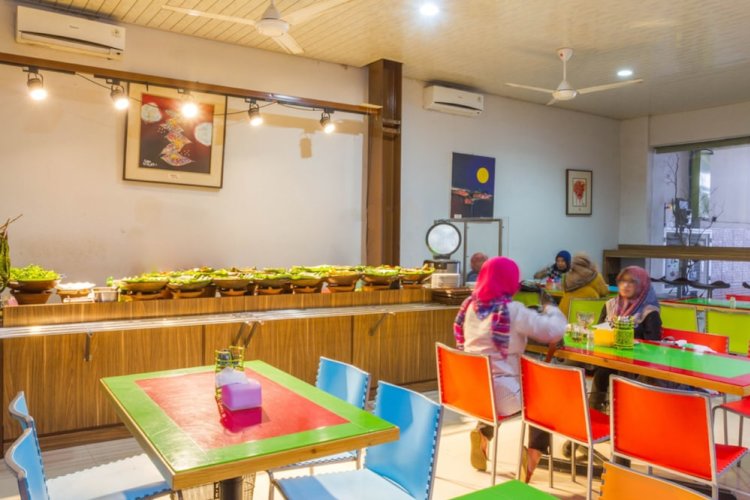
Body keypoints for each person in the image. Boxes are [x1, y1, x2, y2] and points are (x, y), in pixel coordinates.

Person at [453, 256, 566, 482]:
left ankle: (483, 433)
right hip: (503, 394)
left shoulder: (470, 305)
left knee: (507, 386)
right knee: (545, 396)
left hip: (472, 392)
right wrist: (551, 308)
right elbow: (553, 331)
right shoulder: (512, 310)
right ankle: (532, 455)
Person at [589, 266, 662, 410]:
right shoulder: (610, 305)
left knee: (612, 372)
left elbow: (653, 345)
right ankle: (594, 412)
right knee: (601, 371)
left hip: (637, 365)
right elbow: (600, 331)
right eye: (622, 281)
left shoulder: (649, 312)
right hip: (610, 359)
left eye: (632, 282)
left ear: (642, 285)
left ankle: (626, 413)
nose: (626, 285)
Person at [558, 253, 610, 318]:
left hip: (564, 315)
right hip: (587, 316)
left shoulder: (567, 276)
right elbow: (604, 292)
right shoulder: (596, 276)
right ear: (589, 263)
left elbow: (563, 292)